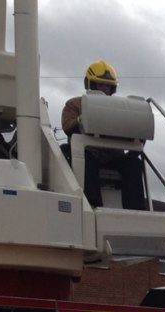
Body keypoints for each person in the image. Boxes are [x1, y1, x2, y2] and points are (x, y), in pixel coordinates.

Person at [61, 60, 145, 210]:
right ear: (91, 84)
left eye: (108, 86)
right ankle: (93, 206)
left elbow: (136, 135)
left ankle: (136, 210)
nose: (105, 89)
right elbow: (67, 126)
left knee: (134, 164)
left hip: (114, 157)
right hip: (88, 154)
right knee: (86, 160)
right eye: (100, 85)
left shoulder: (121, 108)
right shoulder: (74, 104)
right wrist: (83, 119)